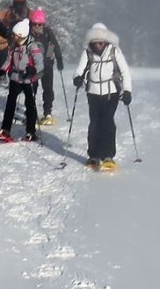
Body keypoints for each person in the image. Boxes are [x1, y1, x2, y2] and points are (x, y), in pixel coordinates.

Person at [72, 23, 132, 171]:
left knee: (107, 122)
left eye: (101, 42)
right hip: (93, 92)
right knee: (94, 123)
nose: (98, 45)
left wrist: (127, 91)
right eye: (95, 42)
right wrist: (77, 78)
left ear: (105, 40)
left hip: (111, 93)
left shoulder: (114, 51)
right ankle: (93, 155)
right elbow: (79, 69)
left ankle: (108, 155)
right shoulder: (87, 52)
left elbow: (125, 71)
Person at [0, 19, 44, 142]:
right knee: (10, 104)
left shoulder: (31, 46)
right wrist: (1, 70)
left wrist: (33, 69)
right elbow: (8, 61)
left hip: (28, 79)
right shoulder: (14, 46)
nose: (14, 37)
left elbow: (40, 63)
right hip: (15, 78)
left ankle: (31, 131)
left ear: (21, 35)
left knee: (30, 105)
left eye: (16, 35)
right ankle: (5, 129)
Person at [29, 9, 64, 125]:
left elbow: (54, 45)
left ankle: (47, 112)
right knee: (31, 89)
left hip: (46, 64)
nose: (37, 26)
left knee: (48, 88)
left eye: (40, 24)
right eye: (35, 24)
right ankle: (30, 112)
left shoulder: (48, 32)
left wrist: (58, 59)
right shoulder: (28, 33)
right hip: (32, 65)